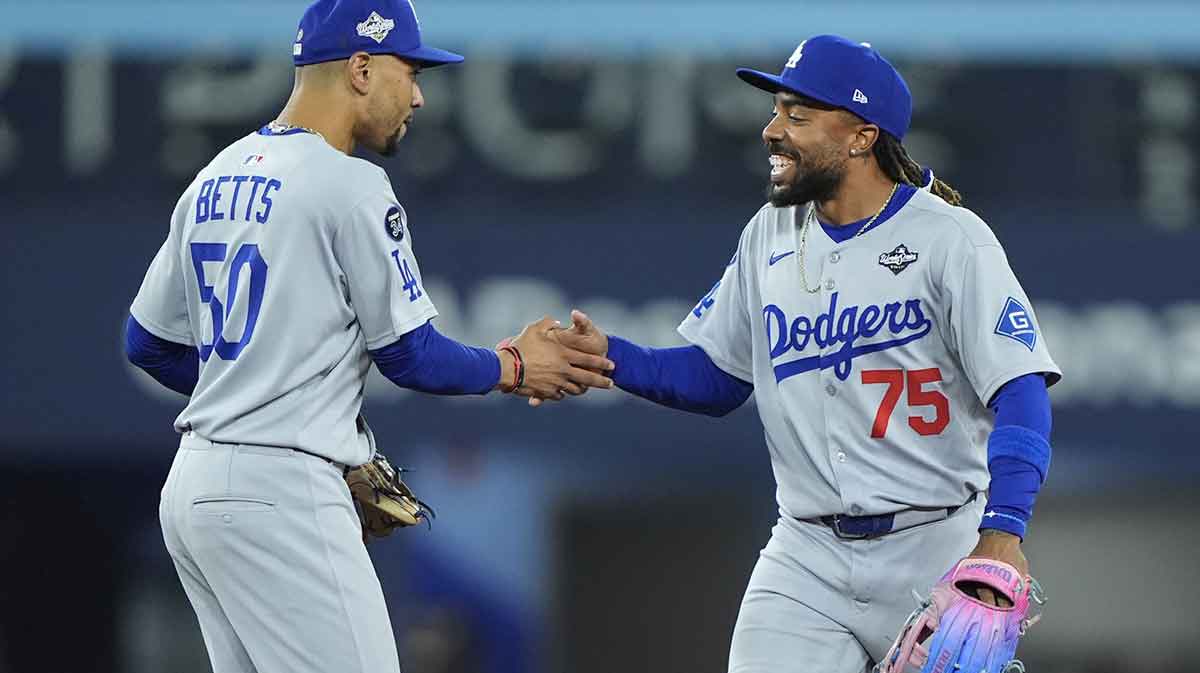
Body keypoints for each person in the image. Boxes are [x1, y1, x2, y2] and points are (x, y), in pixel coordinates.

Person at [124, 1, 613, 671]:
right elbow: (413, 355)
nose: (416, 95)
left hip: (194, 490)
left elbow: (146, 342)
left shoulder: (216, 175)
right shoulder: (351, 184)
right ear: (360, 67)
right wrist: (515, 364)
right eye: (408, 72)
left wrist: (259, 397)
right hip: (281, 493)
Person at [548, 35, 1060, 672]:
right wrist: (611, 358)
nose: (771, 131)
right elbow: (718, 376)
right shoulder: (769, 232)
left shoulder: (950, 239)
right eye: (777, 111)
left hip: (935, 545)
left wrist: (1002, 535)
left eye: (797, 115)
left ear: (861, 137)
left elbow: (1021, 391)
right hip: (806, 554)